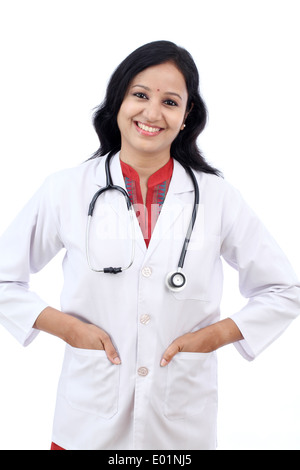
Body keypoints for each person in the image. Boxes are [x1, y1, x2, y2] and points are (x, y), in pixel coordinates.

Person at [0, 40, 299, 451]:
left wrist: (213, 338)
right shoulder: (65, 190)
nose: (152, 113)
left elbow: (283, 290)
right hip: (87, 423)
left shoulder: (217, 198)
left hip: (180, 426)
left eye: (170, 101)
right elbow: (3, 279)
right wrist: (68, 329)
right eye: (140, 95)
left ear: (186, 115)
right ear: (118, 98)